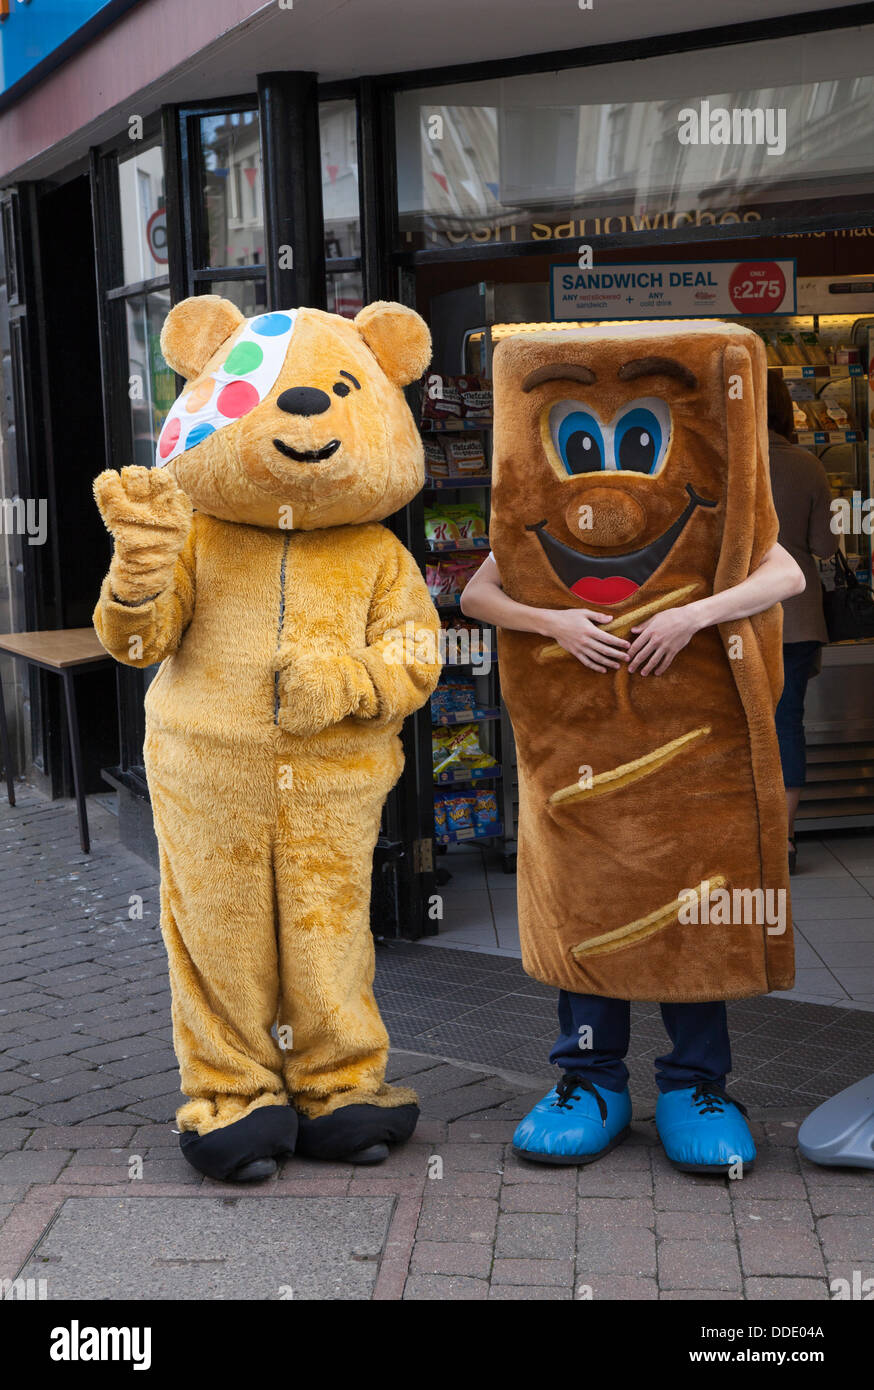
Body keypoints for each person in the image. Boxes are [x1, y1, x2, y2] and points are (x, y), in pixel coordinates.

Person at [461, 513, 803, 1169]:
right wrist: (553, 621)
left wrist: (692, 615)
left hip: (690, 756)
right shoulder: (547, 520)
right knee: (592, 910)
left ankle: (696, 1085)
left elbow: (784, 573)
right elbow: (478, 594)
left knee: (692, 918)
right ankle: (590, 1080)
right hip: (586, 755)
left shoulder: (704, 512)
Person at [766, 370, 838, 873]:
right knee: (786, 721)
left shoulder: (724, 463)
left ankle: (742, 830)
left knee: (737, 725)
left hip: (728, 617)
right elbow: (826, 545)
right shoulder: (809, 465)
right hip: (795, 616)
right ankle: (783, 840)